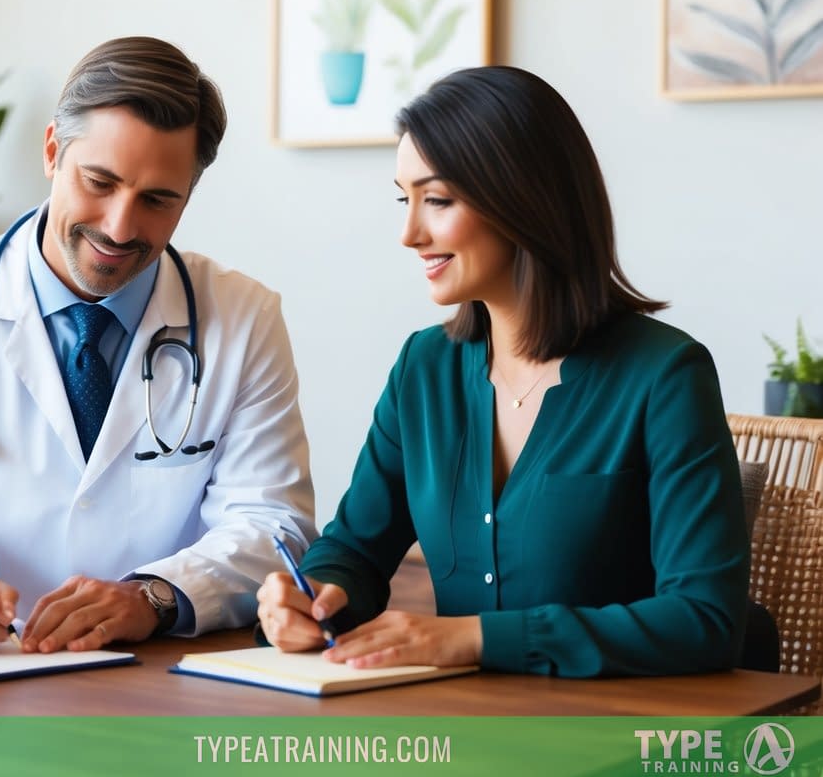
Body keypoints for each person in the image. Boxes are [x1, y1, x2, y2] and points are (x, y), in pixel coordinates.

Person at [0, 36, 316, 656]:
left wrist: (152, 596)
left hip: (158, 679)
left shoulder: (243, 318)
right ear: (52, 151)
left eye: (157, 199)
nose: (120, 227)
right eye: (99, 182)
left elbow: (273, 526)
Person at [257, 65, 749, 677]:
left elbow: (706, 619)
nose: (409, 232)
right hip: (463, 739)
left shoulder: (665, 375)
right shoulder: (423, 368)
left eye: (436, 200)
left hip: (622, 744)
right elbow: (355, 547)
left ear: (523, 200)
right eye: (403, 199)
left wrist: (476, 639)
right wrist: (315, 595)